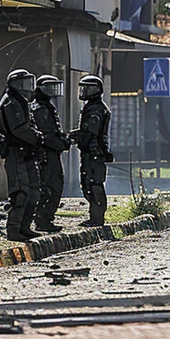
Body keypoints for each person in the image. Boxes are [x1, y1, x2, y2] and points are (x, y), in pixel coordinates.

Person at [0, 69, 44, 241]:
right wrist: (37, 138)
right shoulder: (11, 102)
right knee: (20, 192)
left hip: (27, 152)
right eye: (23, 83)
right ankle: (14, 228)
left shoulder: (22, 102)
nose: (27, 88)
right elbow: (18, 129)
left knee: (34, 192)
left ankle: (25, 226)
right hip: (16, 152)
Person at [73, 75, 113, 227]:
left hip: (94, 153)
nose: (84, 91)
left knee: (94, 185)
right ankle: (94, 217)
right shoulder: (91, 106)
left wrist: (78, 139)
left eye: (88, 88)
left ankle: (97, 218)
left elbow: (91, 132)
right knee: (87, 184)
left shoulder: (96, 109)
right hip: (91, 153)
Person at [32, 75, 70, 233]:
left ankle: (45, 218)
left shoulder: (47, 107)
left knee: (55, 185)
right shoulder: (40, 109)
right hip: (47, 153)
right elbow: (46, 135)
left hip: (51, 152)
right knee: (50, 186)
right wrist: (60, 144)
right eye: (48, 87)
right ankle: (43, 218)